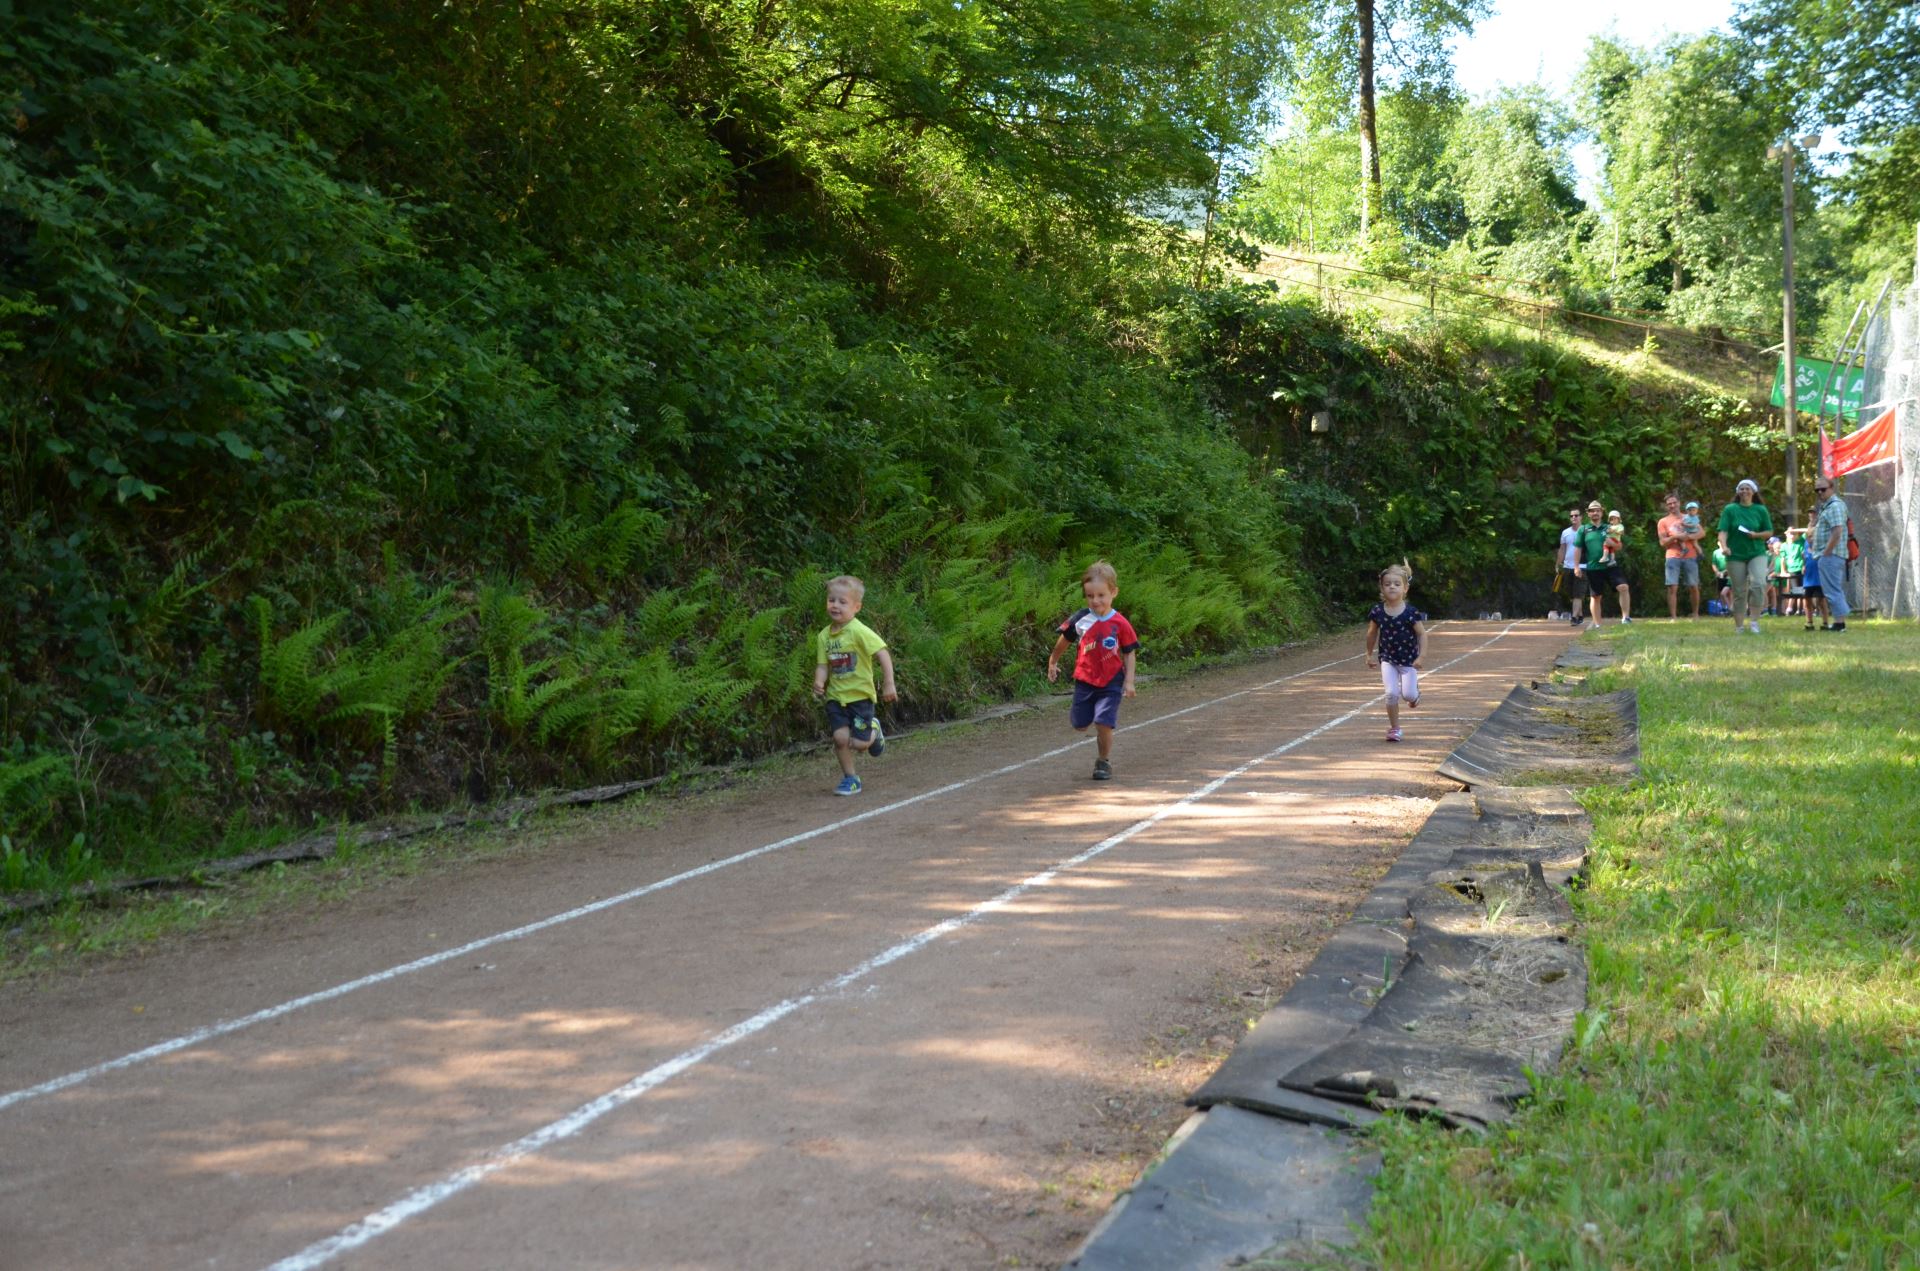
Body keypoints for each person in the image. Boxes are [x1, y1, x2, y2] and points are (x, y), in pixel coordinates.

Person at [1047, 560, 1138, 781]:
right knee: (1080, 725)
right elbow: (1064, 641)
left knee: (1103, 722)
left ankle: (1103, 762)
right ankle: (1086, 720)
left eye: (1101, 595)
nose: (1095, 601)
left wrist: (1129, 681)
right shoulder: (1081, 619)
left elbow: (1129, 652)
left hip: (1111, 681)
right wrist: (1053, 660)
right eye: (1090, 596)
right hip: (1085, 680)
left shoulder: (1120, 623)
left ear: (1113, 593)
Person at [813, 575, 897, 796]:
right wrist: (819, 681)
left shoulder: (859, 631)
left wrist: (889, 683)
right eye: (832, 600)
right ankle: (851, 779)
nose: (835, 605)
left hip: (860, 697)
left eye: (842, 602)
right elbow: (823, 665)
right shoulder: (823, 636)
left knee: (859, 745)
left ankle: (875, 729)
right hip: (836, 697)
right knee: (840, 739)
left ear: (856, 607)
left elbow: (882, 653)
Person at [1365, 562, 1428, 744]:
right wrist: (1368, 655)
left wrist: (1421, 656)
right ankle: (1395, 728)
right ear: (1382, 588)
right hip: (1388, 660)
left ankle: (1415, 695)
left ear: (1405, 588)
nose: (1392, 587)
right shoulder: (1377, 611)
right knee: (1391, 693)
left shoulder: (1410, 612)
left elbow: (1422, 634)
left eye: (1397, 584)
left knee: (1408, 694)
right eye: (1387, 584)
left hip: (1408, 661)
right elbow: (1371, 633)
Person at [1716, 478, 1773, 634]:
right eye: (1741, 489)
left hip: (1757, 553)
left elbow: (1769, 532)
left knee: (1759, 584)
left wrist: (1756, 535)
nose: (1744, 491)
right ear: (1737, 492)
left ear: (1753, 491)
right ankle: (1739, 626)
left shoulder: (1760, 510)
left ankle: (1754, 621)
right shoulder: (1730, 509)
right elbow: (1723, 531)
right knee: (1739, 591)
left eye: (1747, 488)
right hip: (1735, 555)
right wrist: (1724, 546)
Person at [1573, 500, 1631, 627]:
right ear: (1588, 513)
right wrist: (1576, 566)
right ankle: (1598, 625)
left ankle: (1625, 618)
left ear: (1602, 512)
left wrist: (1613, 544)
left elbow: (1619, 546)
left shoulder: (1609, 527)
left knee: (1623, 587)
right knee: (1596, 597)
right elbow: (1577, 548)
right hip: (1593, 567)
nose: (1595, 513)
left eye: (1598, 510)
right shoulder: (1583, 529)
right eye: (1592, 511)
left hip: (1610, 565)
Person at [1809, 476, 1851, 631]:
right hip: (1828, 555)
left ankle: (1840, 624)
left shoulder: (1835, 506)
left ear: (1831, 488)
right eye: (1817, 490)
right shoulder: (1827, 506)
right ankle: (1839, 622)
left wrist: (1826, 552)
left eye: (1823, 489)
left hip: (1831, 555)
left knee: (1832, 589)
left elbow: (1837, 531)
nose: (1820, 492)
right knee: (1831, 589)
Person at [1657, 493, 1705, 619]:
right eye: (1669, 504)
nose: (1672, 505)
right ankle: (1673, 617)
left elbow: (1702, 533)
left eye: (1674, 502)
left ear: (1679, 503)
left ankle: (1695, 614)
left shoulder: (1689, 516)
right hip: (1672, 556)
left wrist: (1688, 537)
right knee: (1672, 586)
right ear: (1666, 507)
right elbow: (1662, 542)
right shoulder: (1663, 521)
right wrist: (1675, 537)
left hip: (1690, 555)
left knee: (1693, 585)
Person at [1555, 508, 1586, 626]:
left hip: (1582, 566)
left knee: (1578, 593)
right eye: (1571, 516)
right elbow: (1562, 549)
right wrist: (1558, 563)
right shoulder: (1565, 532)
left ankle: (1573, 618)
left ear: (1581, 517)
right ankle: (1580, 614)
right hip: (1568, 566)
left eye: (1576, 515)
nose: (1574, 517)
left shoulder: (1586, 531)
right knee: (1572, 594)